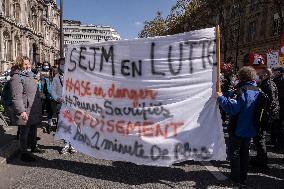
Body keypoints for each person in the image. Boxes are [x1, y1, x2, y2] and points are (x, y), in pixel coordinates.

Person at [217, 66, 260, 186]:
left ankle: (235, 178)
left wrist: (220, 98)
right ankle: (243, 177)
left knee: (235, 153)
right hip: (251, 128)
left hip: (237, 127)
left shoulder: (241, 91)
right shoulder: (257, 89)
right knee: (245, 154)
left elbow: (232, 109)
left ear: (241, 77)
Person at [10, 56, 45, 162]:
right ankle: (24, 153)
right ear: (20, 64)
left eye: (28, 64)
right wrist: (21, 111)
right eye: (25, 64)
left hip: (33, 108)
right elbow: (16, 96)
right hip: (25, 108)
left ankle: (33, 146)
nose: (28, 66)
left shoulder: (30, 75)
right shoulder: (16, 77)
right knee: (24, 132)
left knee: (33, 129)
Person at [51, 58, 76, 154]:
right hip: (61, 105)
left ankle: (73, 144)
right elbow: (53, 90)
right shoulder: (56, 77)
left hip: (72, 105)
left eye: (65, 64)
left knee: (73, 124)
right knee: (63, 124)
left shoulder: (74, 77)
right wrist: (57, 98)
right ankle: (66, 143)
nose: (63, 66)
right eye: (61, 64)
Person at [38, 62, 54, 134]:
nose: (46, 66)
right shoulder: (40, 72)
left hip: (50, 94)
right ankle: (39, 122)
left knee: (49, 110)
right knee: (41, 109)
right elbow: (37, 80)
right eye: (44, 65)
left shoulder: (51, 72)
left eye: (47, 65)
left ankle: (49, 124)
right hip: (42, 93)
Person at [272, 67, 284, 149]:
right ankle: (274, 140)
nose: (273, 73)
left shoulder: (280, 80)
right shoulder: (277, 79)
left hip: (281, 106)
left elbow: (280, 94)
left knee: (279, 125)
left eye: (274, 72)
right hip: (279, 105)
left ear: (279, 72)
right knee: (276, 124)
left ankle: (280, 143)